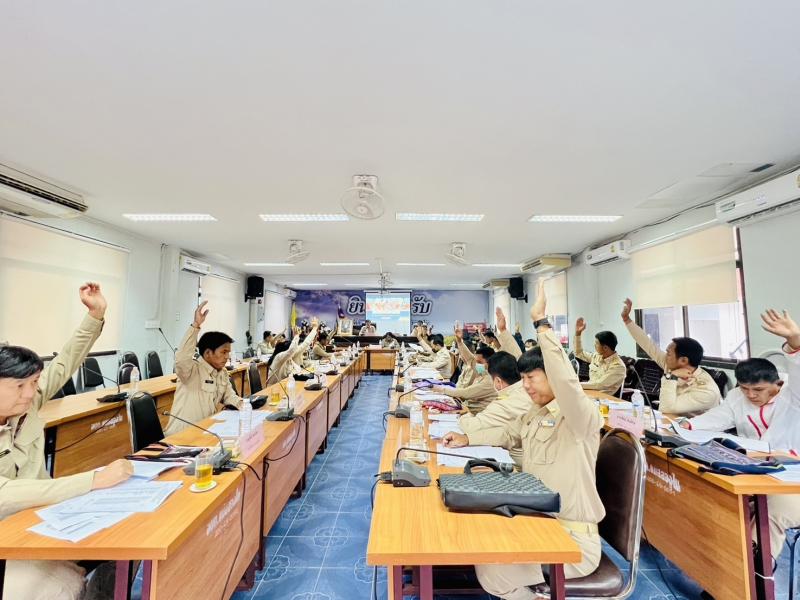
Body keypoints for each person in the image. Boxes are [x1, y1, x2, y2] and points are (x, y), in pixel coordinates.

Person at [444, 280, 604, 599]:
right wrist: (466, 437)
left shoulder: (579, 417)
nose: (526, 386)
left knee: (493, 571)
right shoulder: (536, 411)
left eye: (532, 378)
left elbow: (567, 383)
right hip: (538, 521)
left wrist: (541, 323)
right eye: (523, 379)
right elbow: (507, 433)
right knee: (479, 537)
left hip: (571, 539)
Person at [0, 283, 133, 600]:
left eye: (34, 383)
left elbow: (65, 362)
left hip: (44, 517)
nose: (30, 393)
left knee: (125, 538)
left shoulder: (27, 403)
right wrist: (93, 480)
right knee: (55, 587)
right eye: (19, 386)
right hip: (10, 533)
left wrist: (95, 315)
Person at [679, 308, 800, 563]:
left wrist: (795, 341)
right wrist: (685, 426)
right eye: (745, 389)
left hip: (792, 482)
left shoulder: (793, 396)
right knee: (719, 499)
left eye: (759, 389)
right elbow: (717, 418)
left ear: (778, 384)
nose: (751, 395)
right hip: (756, 475)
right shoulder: (738, 397)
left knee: (771, 512)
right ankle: (720, 568)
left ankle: (755, 575)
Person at [621, 298, 720, 416]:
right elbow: (648, 345)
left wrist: (671, 376)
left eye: (668, 353)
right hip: (671, 422)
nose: (665, 356)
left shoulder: (706, 390)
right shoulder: (671, 364)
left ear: (683, 360)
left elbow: (666, 408)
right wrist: (626, 320)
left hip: (694, 427)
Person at [164, 301, 244, 436]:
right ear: (207, 353)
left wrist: (243, 405)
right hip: (181, 437)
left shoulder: (222, 373)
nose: (227, 357)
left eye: (228, 352)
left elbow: (229, 396)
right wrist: (196, 325)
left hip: (205, 432)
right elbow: (181, 358)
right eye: (223, 352)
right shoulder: (191, 371)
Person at [444, 350, 531, 465]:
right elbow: (505, 434)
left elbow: (471, 427)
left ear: (498, 381)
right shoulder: (521, 391)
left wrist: (466, 415)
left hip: (516, 463)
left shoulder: (507, 402)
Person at [431, 322, 497, 414]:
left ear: (490, 362)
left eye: (479, 362)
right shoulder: (482, 372)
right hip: (465, 406)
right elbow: (470, 358)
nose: (476, 364)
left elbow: (466, 393)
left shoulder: (490, 380)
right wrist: (459, 341)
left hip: (473, 413)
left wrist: (442, 390)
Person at [573, 317, 627, 395]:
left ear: (605, 347)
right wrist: (578, 334)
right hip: (587, 394)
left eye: (596, 343)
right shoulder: (597, 356)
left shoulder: (618, 366)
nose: (594, 345)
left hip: (602, 399)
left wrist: (575, 384)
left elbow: (599, 385)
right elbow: (579, 353)